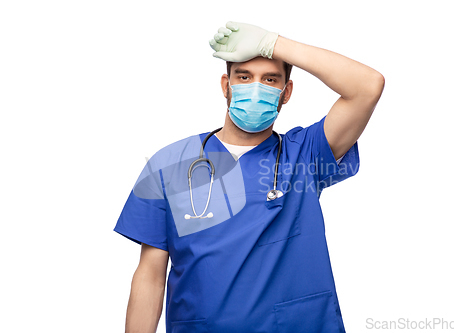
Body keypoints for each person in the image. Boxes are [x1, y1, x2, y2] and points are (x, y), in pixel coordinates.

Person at [114, 21, 384, 333]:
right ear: (225, 85)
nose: (256, 87)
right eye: (244, 77)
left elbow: (368, 86)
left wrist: (274, 43)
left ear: (286, 93)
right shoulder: (171, 164)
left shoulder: (306, 155)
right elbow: (150, 275)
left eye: (270, 80)